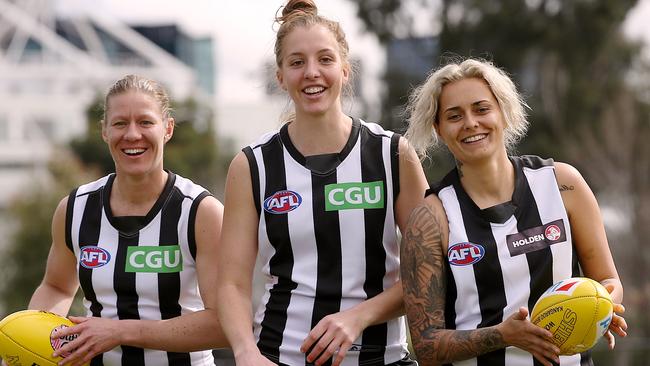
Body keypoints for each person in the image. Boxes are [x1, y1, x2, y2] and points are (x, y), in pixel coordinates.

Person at [215, 1, 428, 365]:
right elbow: (232, 284)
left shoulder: (393, 154)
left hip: (383, 356)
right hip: (278, 356)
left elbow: (430, 271)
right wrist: (246, 352)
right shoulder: (252, 164)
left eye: (325, 60)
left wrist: (358, 317)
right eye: (297, 62)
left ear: (345, 70)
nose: (312, 72)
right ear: (280, 76)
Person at [399, 58, 628, 366]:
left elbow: (608, 280)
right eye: (454, 116)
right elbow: (426, 346)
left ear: (504, 112)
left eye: (481, 109)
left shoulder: (564, 184)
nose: (470, 123)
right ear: (439, 129)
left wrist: (602, 306)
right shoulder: (430, 218)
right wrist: (504, 335)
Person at [28, 74, 228, 365]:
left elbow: (224, 324)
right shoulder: (75, 208)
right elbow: (56, 287)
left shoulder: (200, 211)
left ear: (167, 129)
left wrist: (120, 332)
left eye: (145, 122)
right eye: (120, 123)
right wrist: (31, 337)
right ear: (105, 131)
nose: (132, 135)